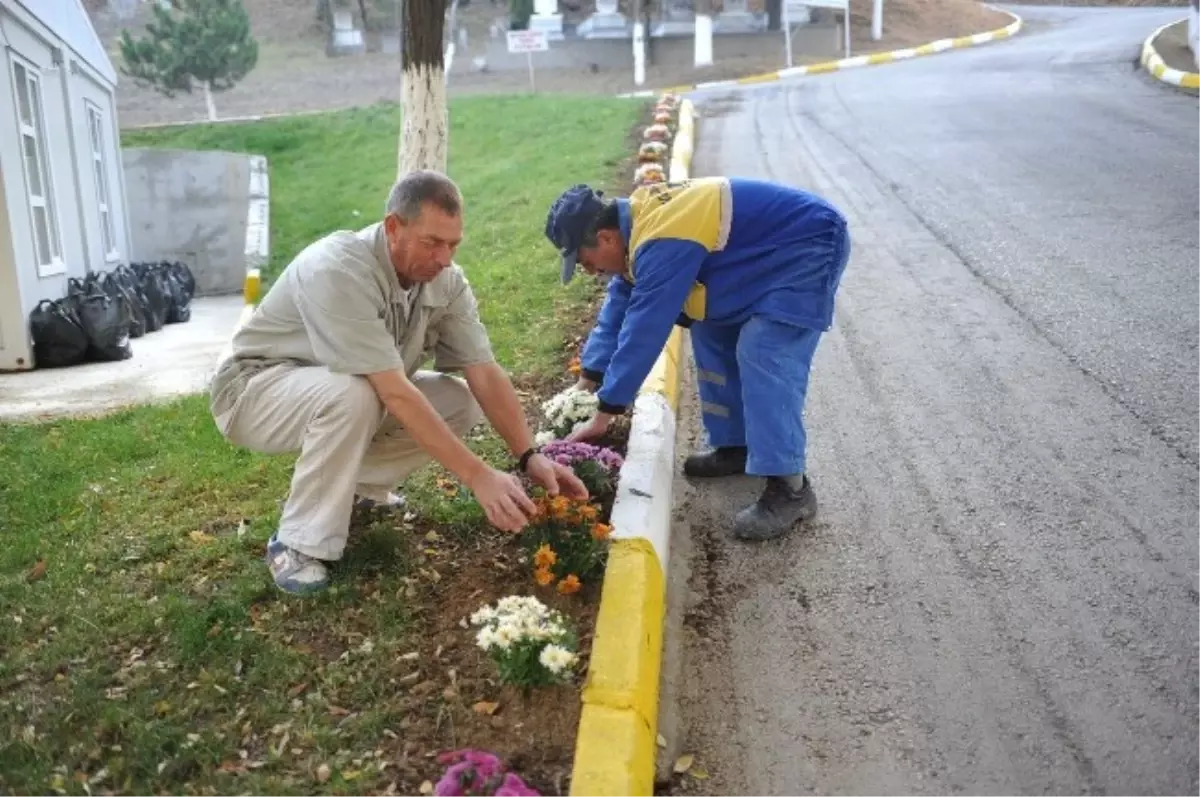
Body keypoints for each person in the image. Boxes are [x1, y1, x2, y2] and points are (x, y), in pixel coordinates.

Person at [211, 170, 587, 595]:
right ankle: (297, 543)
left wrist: (528, 456)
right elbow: (392, 390)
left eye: (453, 244)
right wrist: (478, 476)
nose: (445, 258)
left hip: (336, 387)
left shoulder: (445, 279)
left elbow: (482, 369)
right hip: (252, 390)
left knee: (456, 400)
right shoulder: (337, 268)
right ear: (393, 227)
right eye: (432, 242)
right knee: (352, 395)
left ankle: (359, 491)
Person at [543, 176, 850, 542]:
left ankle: (791, 488)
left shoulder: (661, 236)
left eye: (584, 261)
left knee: (764, 351)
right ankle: (736, 445)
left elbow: (645, 327)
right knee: (710, 329)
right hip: (761, 258)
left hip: (808, 243)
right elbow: (617, 311)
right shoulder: (637, 231)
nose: (590, 271)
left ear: (607, 238)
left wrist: (605, 412)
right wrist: (587, 381)